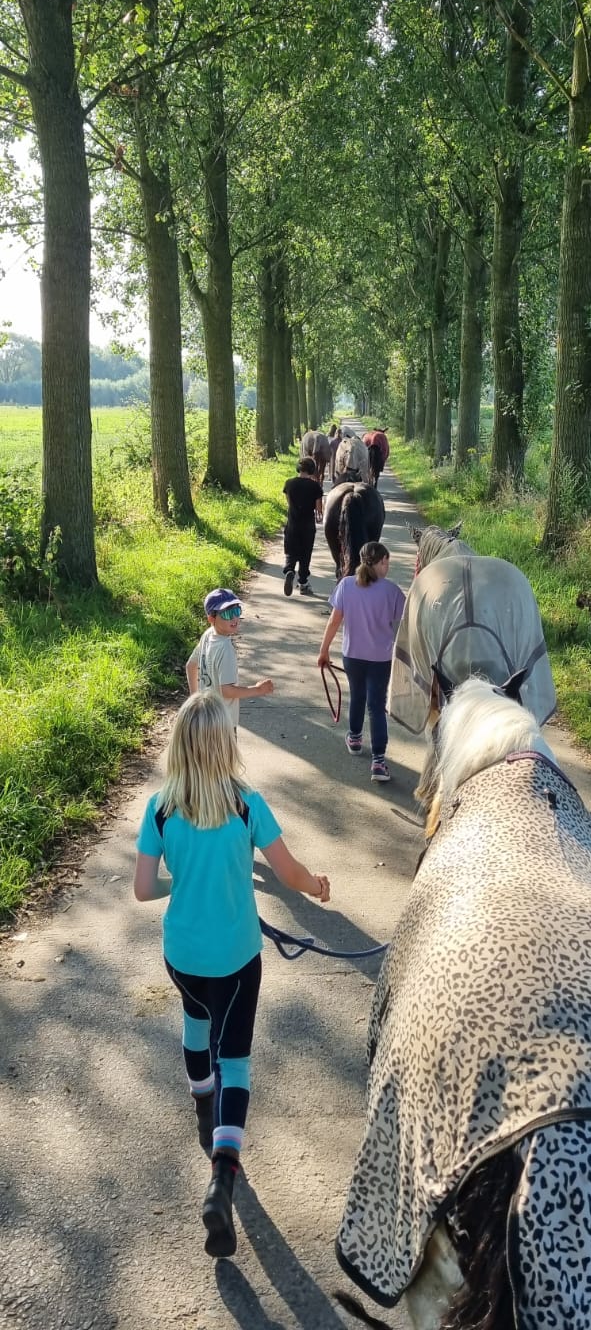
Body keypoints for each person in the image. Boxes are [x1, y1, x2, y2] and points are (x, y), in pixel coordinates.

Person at [134, 691, 330, 1259]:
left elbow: (144, 889)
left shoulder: (159, 808)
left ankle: (202, 1105)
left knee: (197, 1022)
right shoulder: (247, 805)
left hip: (184, 959)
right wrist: (314, 883)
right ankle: (222, 1179)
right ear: (226, 745)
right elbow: (288, 873)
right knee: (235, 1059)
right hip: (239, 960)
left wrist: (184, 886)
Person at [316, 540, 405, 783]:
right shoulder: (393, 592)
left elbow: (334, 621)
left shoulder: (346, 586)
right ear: (378, 563)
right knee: (376, 707)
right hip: (380, 659)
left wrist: (324, 651)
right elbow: (402, 628)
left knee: (357, 696)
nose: (388, 566)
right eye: (386, 562)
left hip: (352, 655)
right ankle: (378, 761)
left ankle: (354, 738)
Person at [186, 590, 273, 730]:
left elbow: (190, 666)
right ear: (211, 619)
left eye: (237, 611)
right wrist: (257, 690)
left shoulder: (208, 635)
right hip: (223, 722)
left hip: (205, 717)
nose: (234, 619)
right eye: (227, 614)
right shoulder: (225, 648)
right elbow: (227, 691)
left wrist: (194, 699)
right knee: (225, 753)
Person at [282, 457, 323, 597]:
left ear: (298, 468)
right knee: (306, 553)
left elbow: (289, 502)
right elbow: (318, 508)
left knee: (291, 550)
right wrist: (319, 515)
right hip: (307, 525)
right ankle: (303, 582)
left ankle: (289, 570)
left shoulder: (289, 484)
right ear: (312, 470)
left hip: (292, 523)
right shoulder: (315, 486)